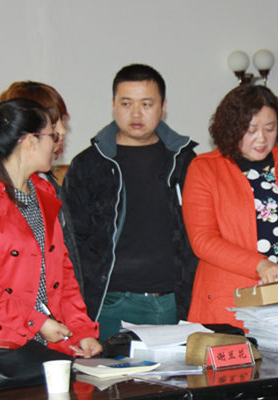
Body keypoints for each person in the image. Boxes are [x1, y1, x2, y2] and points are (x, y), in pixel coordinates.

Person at [0, 98, 102, 359]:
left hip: (44, 345)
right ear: (30, 141)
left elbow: (63, 272)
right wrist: (36, 322)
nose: (57, 143)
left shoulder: (44, 192)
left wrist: (82, 329)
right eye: (51, 135)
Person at [63, 64, 198, 340]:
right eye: (126, 104)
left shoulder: (184, 161)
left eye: (146, 104)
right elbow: (72, 243)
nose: (136, 113)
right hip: (110, 304)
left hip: (176, 302)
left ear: (163, 107)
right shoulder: (89, 164)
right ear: (113, 105)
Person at [182, 85, 278, 329]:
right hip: (226, 302)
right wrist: (260, 265)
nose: (262, 138)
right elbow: (203, 241)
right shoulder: (204, 169)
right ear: (232, 128)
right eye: (251, 130)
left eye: (270, 129)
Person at [0, 81, 84, 293]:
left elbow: (68, 266)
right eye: (53, 124)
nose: (62, 131)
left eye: (62, 121)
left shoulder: (49, 185)